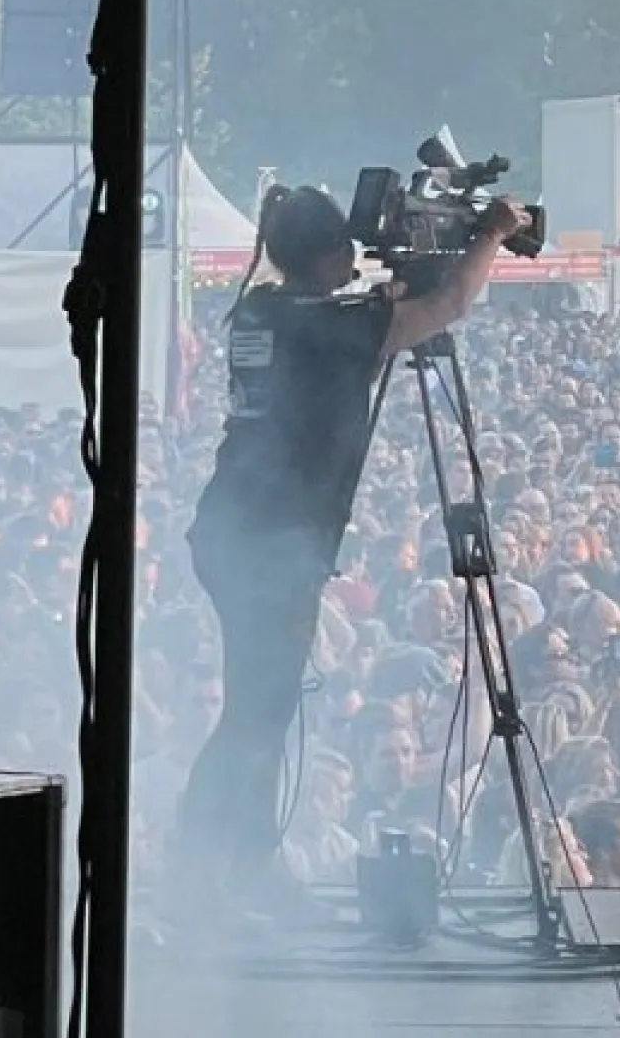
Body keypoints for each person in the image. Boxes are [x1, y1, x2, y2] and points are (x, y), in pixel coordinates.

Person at [176, 184, 527, 915]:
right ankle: (226, 863)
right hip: (270, 544)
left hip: (235, 530)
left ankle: (223, 859)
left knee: (254, 707)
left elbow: (352, 342)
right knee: (258, 713)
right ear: (330, 254)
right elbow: (450, 304)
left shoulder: (263, 308)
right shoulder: (330, 327)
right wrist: (491, 232)